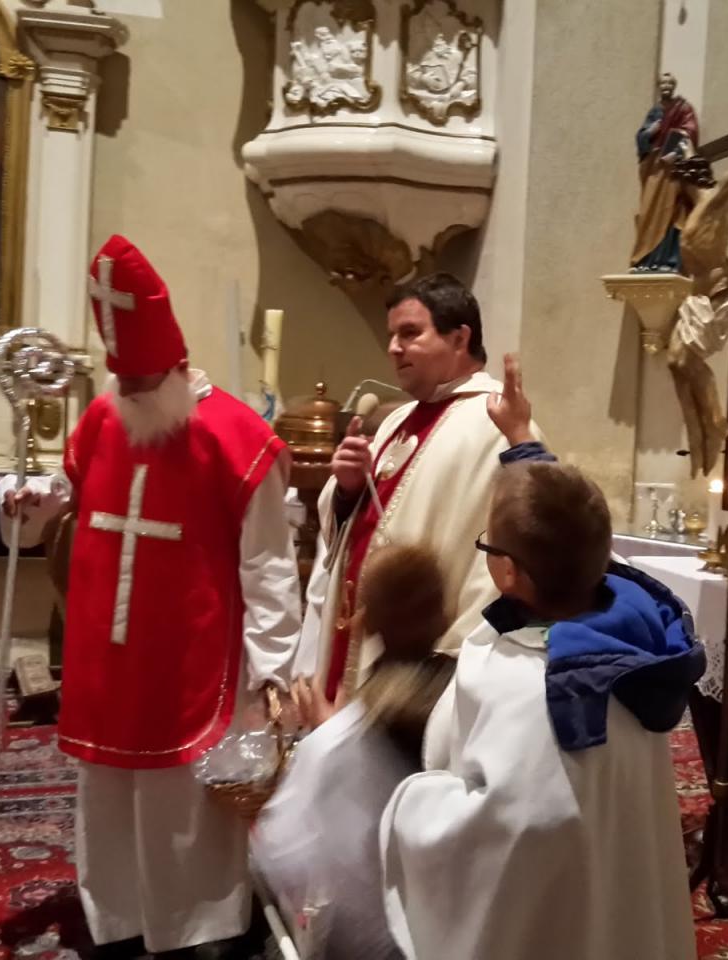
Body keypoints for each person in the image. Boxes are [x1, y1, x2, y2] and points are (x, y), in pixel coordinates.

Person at [0, 235, 300, 958]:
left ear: (171, 366)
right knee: (107, 791)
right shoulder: (104, 418)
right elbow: (68, 493)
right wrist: (33, 501)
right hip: (107, 655)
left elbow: (268, 563)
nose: (127, 392)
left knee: (181, 801)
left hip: (190, 654)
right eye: (120, 380)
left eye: (138, 382)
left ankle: (197, 930)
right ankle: (119, 921)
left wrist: (273, 669)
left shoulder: (235, 436)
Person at [379, 460, 704, 960]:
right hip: (618, 884)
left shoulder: (529, 685)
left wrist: (411, 806)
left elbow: (511, 832)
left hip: (555, 920)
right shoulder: (634, 643)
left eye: (487, 545)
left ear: (508, 571)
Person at [292, 272, 541, 704]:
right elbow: (352, 528)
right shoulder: (397, 420)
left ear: (460, 338)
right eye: (392, 335)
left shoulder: (500, 425)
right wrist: (347, 489)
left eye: (410, 333)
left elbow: (510, 559)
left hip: (427, 670)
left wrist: (450, 663)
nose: (393, 347)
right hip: (360, 637)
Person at [253, 543, 455, 960]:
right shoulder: (468, 708)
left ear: (363, 622)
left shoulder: (338, 742)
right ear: (445, 616)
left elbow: (281, 854)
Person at [630, 73, 699, 273]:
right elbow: (641, 138)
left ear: (673, 86)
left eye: (669, 83)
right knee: (649, 211)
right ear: (659, 86)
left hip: (672, 168)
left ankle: (667, 260)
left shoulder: (683, 108)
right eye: (663, 83)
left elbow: (691, 131)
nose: (666, 86)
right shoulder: (655, 112)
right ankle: (645, 259)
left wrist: (676, 148)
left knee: (671, 211)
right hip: (654, 167)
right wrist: (651, 131)